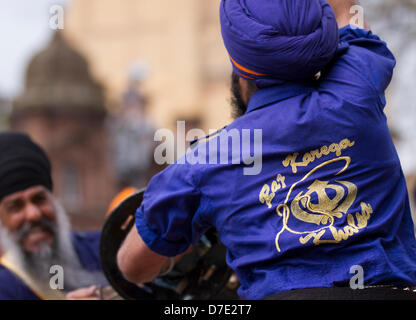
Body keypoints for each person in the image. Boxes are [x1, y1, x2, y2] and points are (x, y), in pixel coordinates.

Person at [117, 0, 416, 300]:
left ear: (239, 66)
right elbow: (347, 10)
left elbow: (130, 266)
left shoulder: (206, 161)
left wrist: (174, 255)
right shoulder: (358, 88)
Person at [0, 131, 108, 300]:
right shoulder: (4, 287)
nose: (34, 214)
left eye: (39, 199)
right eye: (16, 207)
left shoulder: (104, 249)